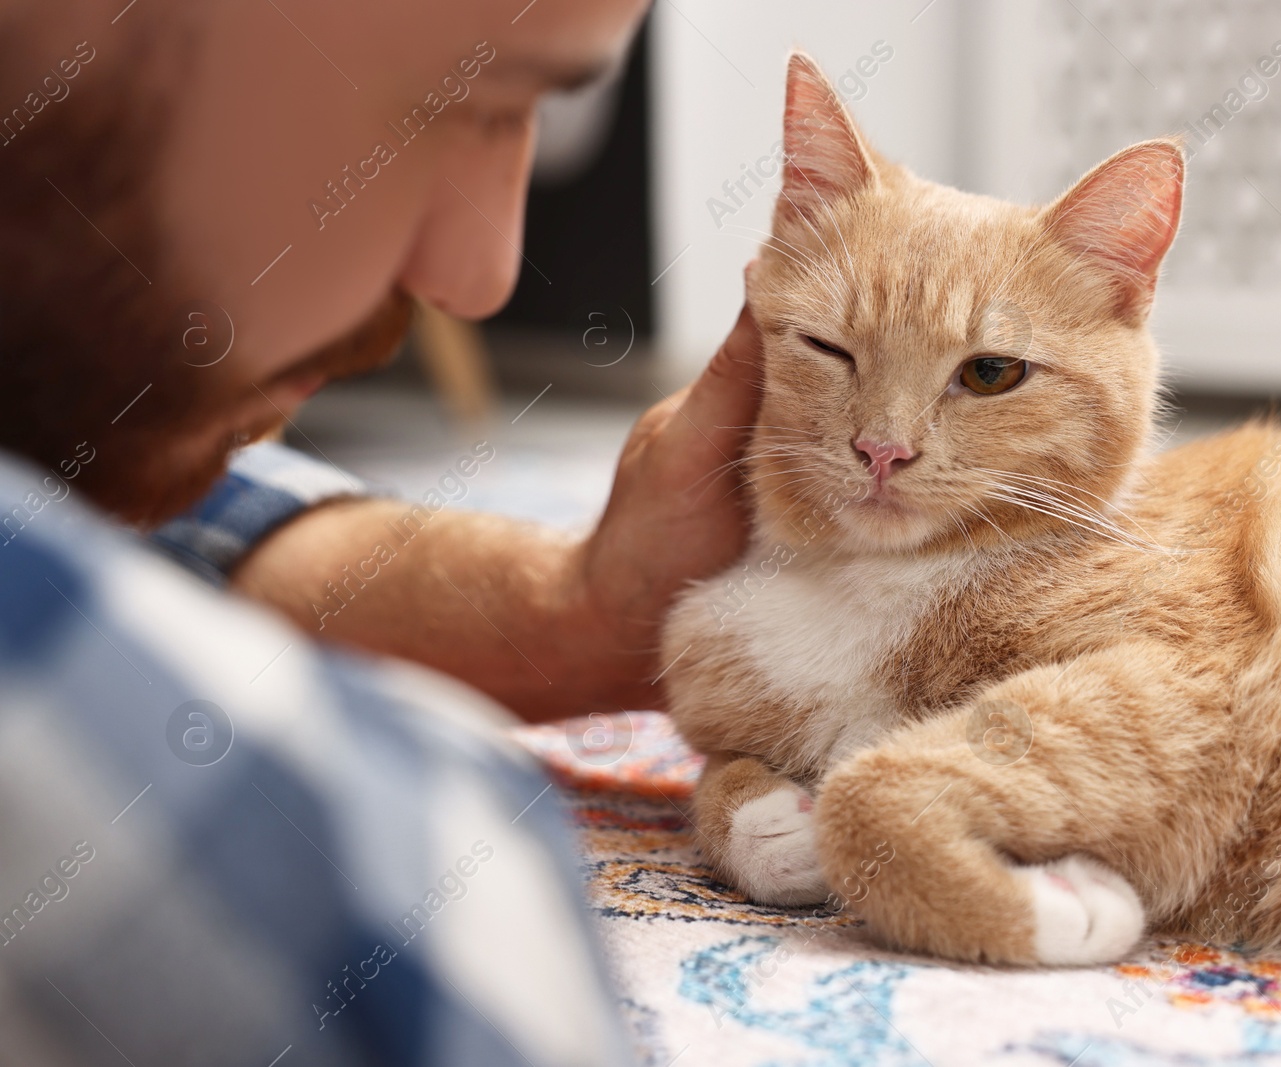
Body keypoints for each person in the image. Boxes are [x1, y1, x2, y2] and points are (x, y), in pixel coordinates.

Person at [0, 1, 760, 1062]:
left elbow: (111, 492)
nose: (478, 275)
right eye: (476, 103)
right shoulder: (394, 904)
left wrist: (576, 608)